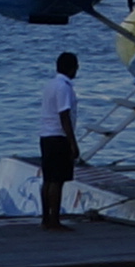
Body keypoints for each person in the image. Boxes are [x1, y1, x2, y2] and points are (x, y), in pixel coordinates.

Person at [38, 48, 83, 225]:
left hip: (46, 135)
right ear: (71, 68)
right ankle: (55, 220)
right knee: (57, 181)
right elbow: (64, 115)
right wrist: (73, 143)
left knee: (48, 179)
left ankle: (46, 219)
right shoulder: (64, 87)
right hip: (59, 137)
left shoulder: (50, 85)